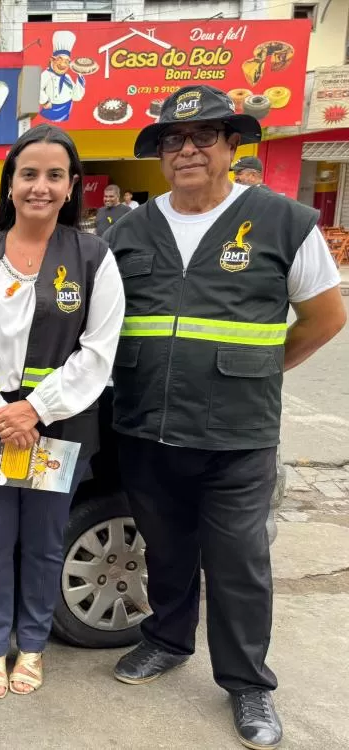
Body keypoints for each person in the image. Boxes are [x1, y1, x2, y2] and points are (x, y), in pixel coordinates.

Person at [106, 85, 346, 750]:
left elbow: (326, 317)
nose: (186, 150)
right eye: (172, 141)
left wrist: (260, 370)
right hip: (145, 426)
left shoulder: (283, 221)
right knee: (166, 549)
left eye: (203, 136)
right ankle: (166, 641)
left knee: (239, 561)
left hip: (236, 435)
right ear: (159, 155)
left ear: (232, 145)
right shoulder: (128, 230)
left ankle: (247, 684)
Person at [0, 124, 125, 699]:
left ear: (71, 186)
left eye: (53, 175)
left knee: (45, 542)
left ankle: (34, 647)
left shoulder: (93, 257)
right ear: (10, 182)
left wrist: (35, 411)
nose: (39, 187)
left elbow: (99, 349)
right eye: (28, 174)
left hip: (56, 430)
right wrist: (2, 414)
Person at [39, 30, 86, 123]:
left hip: (65, 110)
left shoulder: (67, 78)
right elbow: (36, 88)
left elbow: (76, 97)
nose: (62, 64)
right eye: (59, 60)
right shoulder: (46, 74)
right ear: (52, 60)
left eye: (66, 61)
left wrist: (80, 76)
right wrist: (45, 101)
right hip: (50, 110)